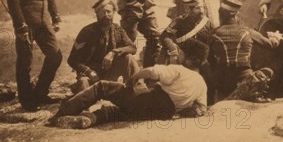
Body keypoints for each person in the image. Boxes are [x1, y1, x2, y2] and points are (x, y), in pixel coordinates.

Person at [53, 39, 209, 129]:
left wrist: (132, 81)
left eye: (181, 53)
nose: (178, 55)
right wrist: (181, 110)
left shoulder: (179, 69)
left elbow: (150, 71)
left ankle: (61, 113)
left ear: (189, 58)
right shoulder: (202, 84)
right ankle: (90, 119)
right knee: (116, 112)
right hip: (163, 113)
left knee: (102, 87)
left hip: (152, 100)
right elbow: (201, 109)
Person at [210, 0, 279, 100]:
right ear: (235, 15)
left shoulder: (213, 33)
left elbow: (209, 59)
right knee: (271, 71)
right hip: (244, 78)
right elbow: (271, 45)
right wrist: (275, 38)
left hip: (222, 81)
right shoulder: (247, 31)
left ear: (220, 15)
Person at [67, 0, 139, 93]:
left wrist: (113, 52)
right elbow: (72, 60)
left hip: (109, 74)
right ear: (97, 14)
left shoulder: (117, 29)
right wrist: (89, 72)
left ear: (113, 12)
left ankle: (135, 92)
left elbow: (132, 48)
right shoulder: (87, 32)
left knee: (129, 58)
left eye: (109, 11)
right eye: (102, 12)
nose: (106, 15)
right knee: (83, 85)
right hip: (90, 76)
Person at [159, 0, 215, 103]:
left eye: (202, 7)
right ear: (188, 9)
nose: (202, 10)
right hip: (184, 57)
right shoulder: (180, 21)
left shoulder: (208, 23)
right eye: (197, 8)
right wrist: (173, 48)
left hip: (201, 58)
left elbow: (213, 42)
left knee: (209, 77)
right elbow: (164, 37)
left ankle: (208, 102)